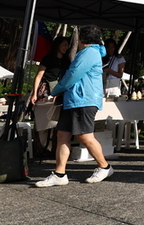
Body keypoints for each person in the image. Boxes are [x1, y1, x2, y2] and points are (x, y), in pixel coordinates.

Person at [36, 25, 114, 187]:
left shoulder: (89, 52)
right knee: (62, 135)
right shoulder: (90, 52)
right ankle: (59, 173)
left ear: (81, 39)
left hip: (83, 100)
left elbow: (73, 74)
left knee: (85, 135)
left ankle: (104, 166)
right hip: (74, 99)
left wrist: (56, 90)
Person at [30, 36, 71, 105]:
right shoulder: (48, 59)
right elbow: (38, 77)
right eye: (64, 45)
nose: (66, 48)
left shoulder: (66, 61)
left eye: (67, 46)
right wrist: (34, 93)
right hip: (46, 89)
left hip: (61, 90)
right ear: (58, 45)